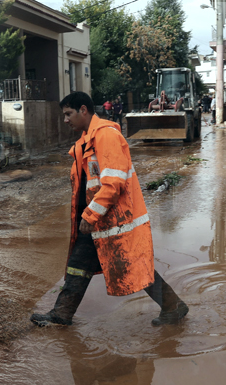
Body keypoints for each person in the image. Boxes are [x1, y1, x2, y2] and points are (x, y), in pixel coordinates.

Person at [31, 91, 189, 327]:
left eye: (68, 114)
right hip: (95, 221)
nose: (65, 120)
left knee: (134, 267)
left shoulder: (106, 136)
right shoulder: (87, 141)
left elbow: (113, 183)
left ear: (83, 110)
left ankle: (173, 306)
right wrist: (88, 216)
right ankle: (62, 314)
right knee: (77, 266)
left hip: (113, 221)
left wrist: (92, 214)